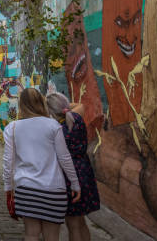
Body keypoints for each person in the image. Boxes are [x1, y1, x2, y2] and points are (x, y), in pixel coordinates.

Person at [2, 88, 81, 241]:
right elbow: (65, 158)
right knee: (52, 236)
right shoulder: (53, 125)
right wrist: (75, 183)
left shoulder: (12, 128)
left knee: (31, 234)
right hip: (53, 189)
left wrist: (8, 187)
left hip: (26, 189)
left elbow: (8, 162)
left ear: (21, 105)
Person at [47, 92, 100, 241]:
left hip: (69, 174)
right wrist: (62, 106)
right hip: (84, 171)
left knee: (73, 224)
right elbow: (80, 105)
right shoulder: (77, 117)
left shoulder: (57, 129)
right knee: (81, 221)